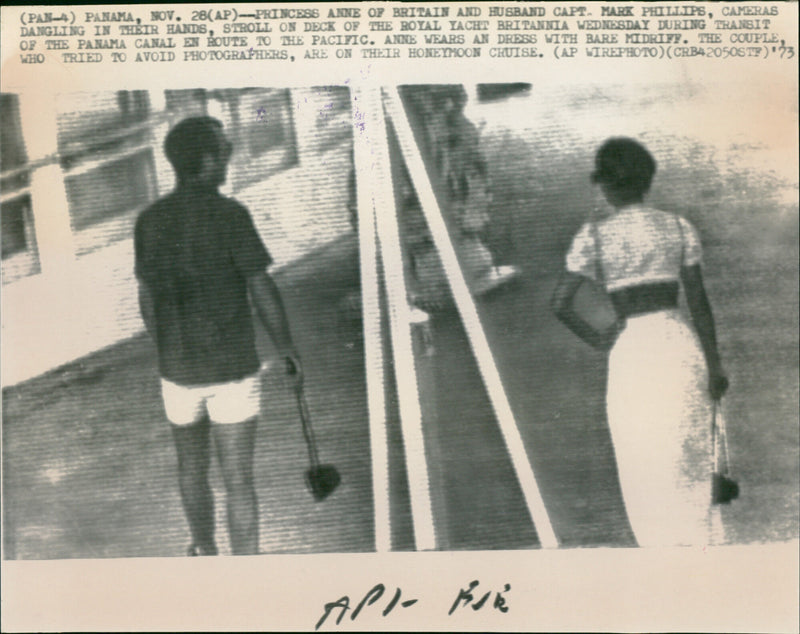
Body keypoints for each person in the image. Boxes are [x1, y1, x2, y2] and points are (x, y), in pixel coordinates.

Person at [134, 116, 302, 556]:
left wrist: (167, 348)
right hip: (232, 371)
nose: (229, 155)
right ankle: (246, 572)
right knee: (239, 480)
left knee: (190, 469)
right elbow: (262, 289)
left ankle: (205, 550)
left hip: (177, 372)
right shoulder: (230, 215)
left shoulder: (149, 221)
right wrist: (287, 349)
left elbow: (148, 300)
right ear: (207, 161)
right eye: (225, 150)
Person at [551, 137, 729, 547]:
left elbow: (559, 304)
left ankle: (659, 549)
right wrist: (715, 364)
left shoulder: (594, 237)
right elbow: (699, 305)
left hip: (632, 351)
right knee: (688, 449)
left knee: (642, 450)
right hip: (678, 344)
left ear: (606, 187)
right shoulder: (677, 227)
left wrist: (600, 339)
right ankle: (701, 546)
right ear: (647, 182)